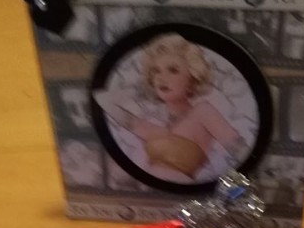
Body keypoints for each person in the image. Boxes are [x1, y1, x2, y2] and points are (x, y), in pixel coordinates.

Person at [94, 34, 248, 183]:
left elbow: (244, 156)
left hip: (182, 196)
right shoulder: (154, 130)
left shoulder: (203, 112)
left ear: (193, 78)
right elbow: (103, 99)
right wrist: (145, 89)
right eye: (156, 71)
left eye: (173, 70)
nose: (161, 78)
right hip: (148, 196)